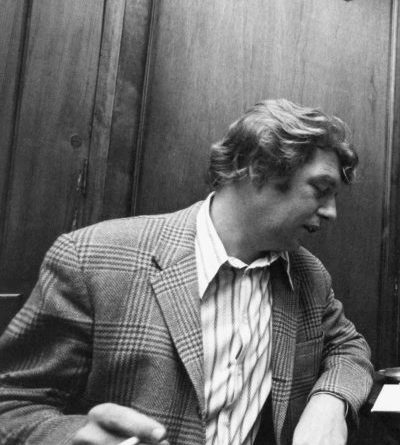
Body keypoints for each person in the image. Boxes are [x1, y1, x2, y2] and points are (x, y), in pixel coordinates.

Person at [0, 99, 373, 445]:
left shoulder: (308, 275)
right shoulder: (90, 259)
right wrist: (75, 437)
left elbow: (348, 347)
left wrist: (331, 400)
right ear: (258, 169)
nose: (331, 212)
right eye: (321, 189)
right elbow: (12, 405)